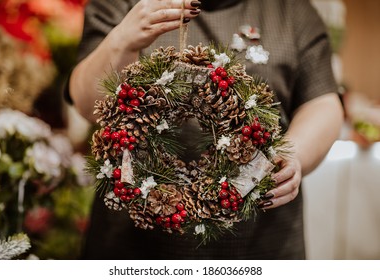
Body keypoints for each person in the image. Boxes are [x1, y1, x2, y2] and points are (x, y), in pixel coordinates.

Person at [66, 0, 344, 259]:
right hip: (134, 244)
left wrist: (292, 154)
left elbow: (321, 101)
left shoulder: (291, 11)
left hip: (260, 243)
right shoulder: (123, 4)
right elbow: (87, 102)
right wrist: (121, 41)